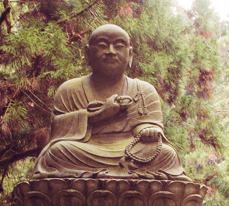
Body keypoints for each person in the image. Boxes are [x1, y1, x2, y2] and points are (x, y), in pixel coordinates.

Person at [33, 24, 187, 179]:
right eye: (102, 45)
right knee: (56, 152)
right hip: (85, 149)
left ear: (130, 55)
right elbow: (58, 129)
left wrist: (148, 131)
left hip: (130, 151)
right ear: (87, 54)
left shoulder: (144, 90)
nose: (111, 52)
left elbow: (149, 125)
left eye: (119, 46)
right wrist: (99, 114)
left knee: (167, 154)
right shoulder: (69, 89)